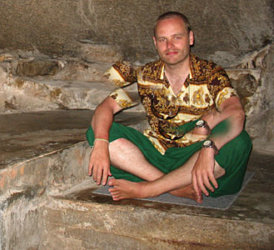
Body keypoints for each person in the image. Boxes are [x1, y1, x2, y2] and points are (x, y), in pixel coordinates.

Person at [87, 12, 251, 202]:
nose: (170, 46)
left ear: (190, 38)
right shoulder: (147, 76)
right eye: (163, 39)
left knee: (239, 142)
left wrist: (208, 148)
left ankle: (148, 188)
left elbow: (235, 112)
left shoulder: (211, 74)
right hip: (159, 155)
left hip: (195, 157)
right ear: (155, 43)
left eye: (177, 37)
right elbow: (105, 108)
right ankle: (175, 188)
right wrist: (100, 143)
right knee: (98, 131)